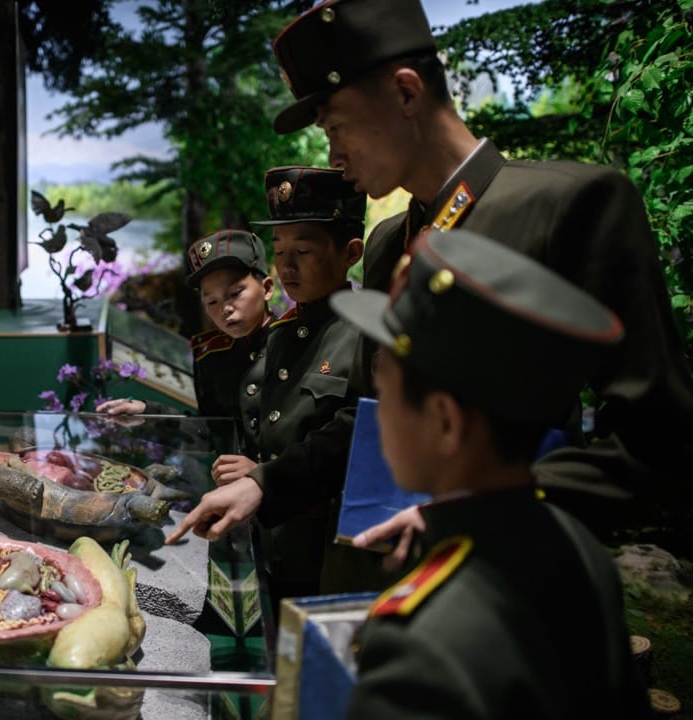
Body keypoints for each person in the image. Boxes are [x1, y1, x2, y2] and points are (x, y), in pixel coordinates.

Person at [270, 0, 693, 549]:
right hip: (373, 565)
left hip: (510, 576)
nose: (334, 154)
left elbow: (656, 433)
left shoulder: (569, 206)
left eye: (337, 125)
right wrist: (267, 484)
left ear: (405, 94)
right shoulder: (384, 242)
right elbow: (368, 416)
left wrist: (493, 512)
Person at [329, 228, 649, 719]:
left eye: (384, 385)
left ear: (445, 421)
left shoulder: (423, 646)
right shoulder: (579, 548)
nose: (377, 408)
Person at [168, 167, 377, 602]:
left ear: (350, 252)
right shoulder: (281, 335)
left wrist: (265, 477)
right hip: (274, 544)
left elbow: (353, 437)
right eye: (280, 250)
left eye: (302, 250)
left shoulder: (367, 332)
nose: (286, 265)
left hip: (335, 552)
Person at [98, 228, 275, 422]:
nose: (225, 308)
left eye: (234, 294)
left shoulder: (298, 347)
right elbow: (208, 431)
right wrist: (148, 412)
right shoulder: (212, 355)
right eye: (212, 302)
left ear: (266, 289)